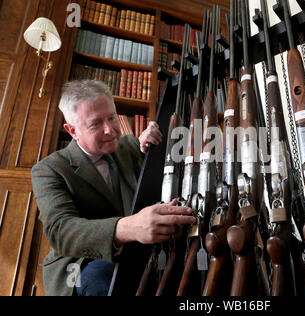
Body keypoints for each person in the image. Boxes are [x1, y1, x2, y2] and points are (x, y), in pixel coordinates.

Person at [31, 80, 196, 296]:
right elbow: (60, 231)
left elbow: (155, 184)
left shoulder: (129, 146)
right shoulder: (49, 169)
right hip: (81, 264)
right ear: (72, 130)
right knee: (106, 279)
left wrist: (152, 150)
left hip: (142, 251)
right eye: (95, 124)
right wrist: (127, 227)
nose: (110, 130)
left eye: (111, 118)